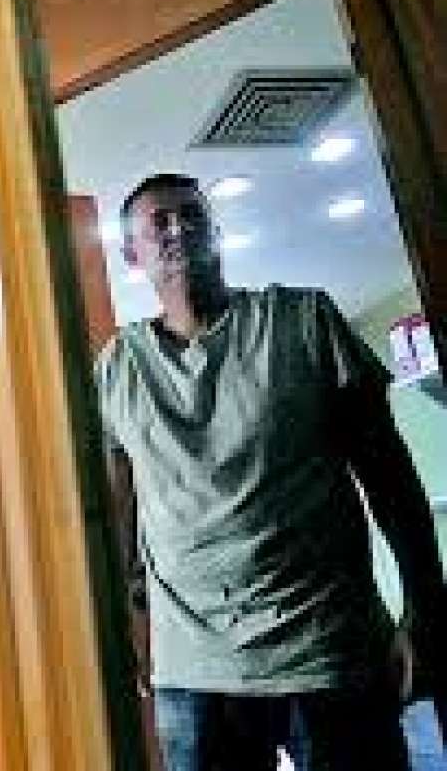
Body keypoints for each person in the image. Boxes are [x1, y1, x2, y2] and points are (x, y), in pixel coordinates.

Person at [94, 173, 447, 771]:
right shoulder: (116, 368)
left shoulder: (302, 320)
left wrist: (426, 608)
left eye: (193, 215)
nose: (179, 228)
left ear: (216, 232)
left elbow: (391, 477)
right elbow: (121, 507)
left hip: (328, 653)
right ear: (132, 254)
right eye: (160, 221)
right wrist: (124, 626)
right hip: (194, 672)